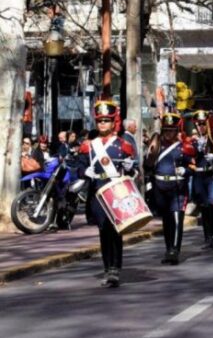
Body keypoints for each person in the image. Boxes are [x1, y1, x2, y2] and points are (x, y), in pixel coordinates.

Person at [77, 100, 136, 287]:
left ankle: (115, 268)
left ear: (114, 123)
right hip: (98, 190)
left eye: (106, 120)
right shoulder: (88, 146)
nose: (102, 123)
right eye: (100, 120)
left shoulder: (123, 145)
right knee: (103, 230)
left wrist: (130, 167)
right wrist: (84, 171)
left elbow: (135, 171)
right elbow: (79, 167)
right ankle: (106, 267)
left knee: (114, 229)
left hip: (116, 191)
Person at [143, 112, 195, 265]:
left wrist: (186, 171)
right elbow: (148, 165)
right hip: (160, 187)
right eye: (166, 129)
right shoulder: (156, 145)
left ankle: (175, 250)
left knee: (177, 218)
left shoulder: (184, 148)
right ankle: (168, 248)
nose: (168, 133)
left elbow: (193, 166)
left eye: (171, 130)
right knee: (166, 220)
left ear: (177, 131)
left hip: (177, 187)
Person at [189, 110, 213, 250]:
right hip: (199, 175)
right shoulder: (192, 140)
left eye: (203, 124)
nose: (201, 127)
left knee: (212, 202)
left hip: (212, 174)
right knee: (203, 205)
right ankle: (207, 237)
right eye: (199, 124)